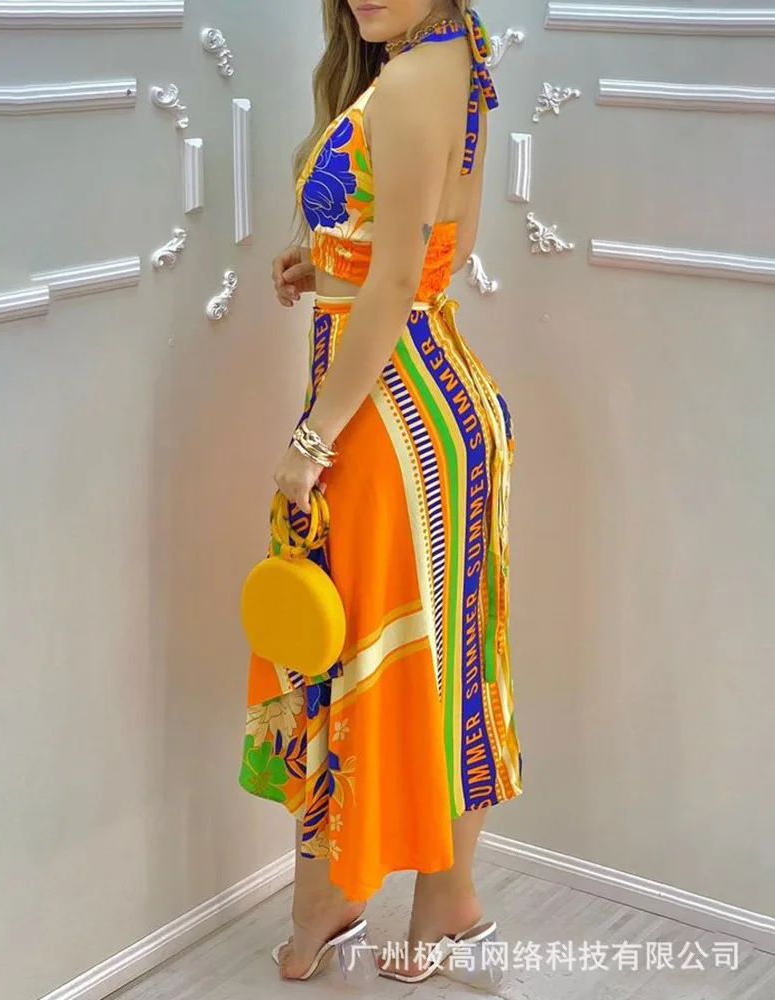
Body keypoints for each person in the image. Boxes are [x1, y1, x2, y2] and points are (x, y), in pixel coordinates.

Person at [240, 0, 522, 983]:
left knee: (360, 653)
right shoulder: (456, 55)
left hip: (390, 421)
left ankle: (364, 899)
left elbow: (397, 283)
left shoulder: (405, 81)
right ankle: (416, 897)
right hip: (433, 405)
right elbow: (429, 242)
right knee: (441, 663)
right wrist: (324, 262)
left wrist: (310, 438)